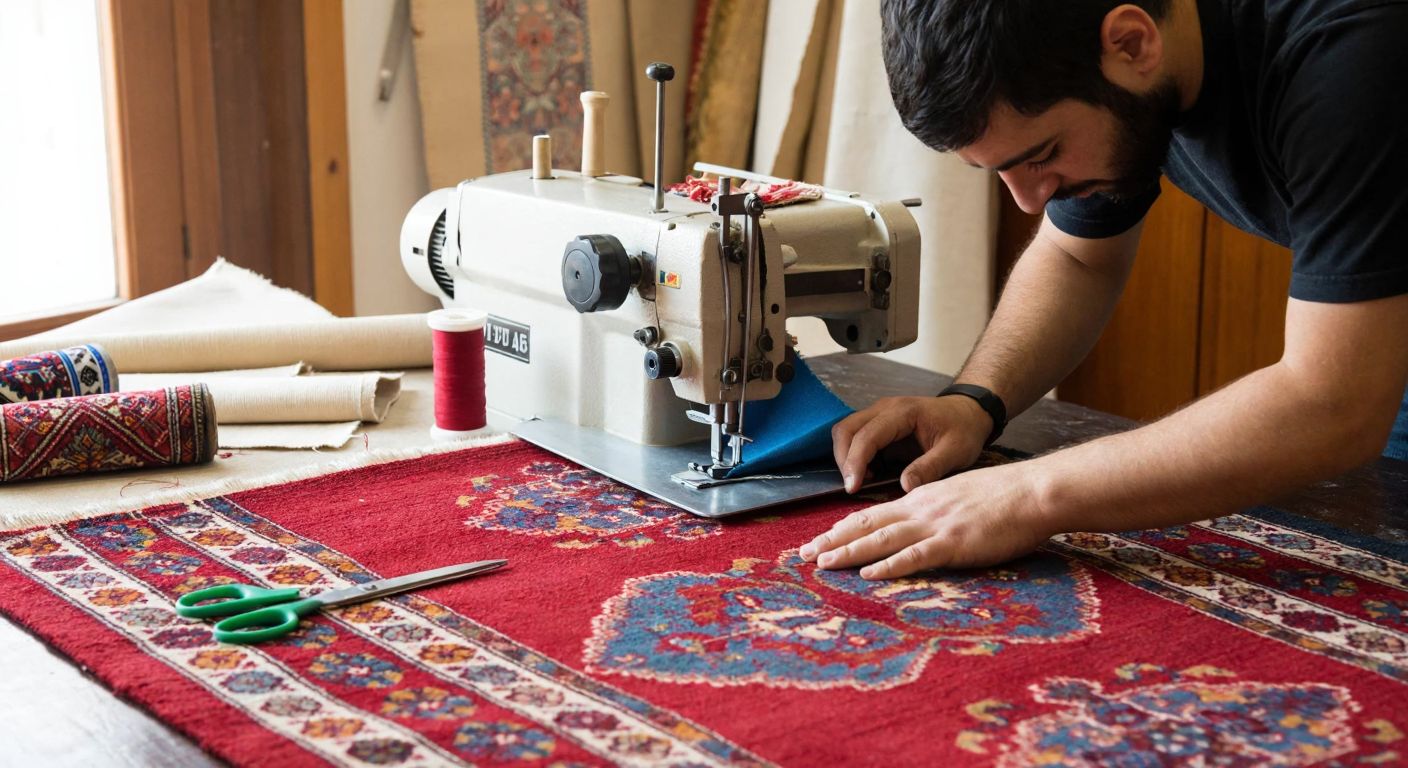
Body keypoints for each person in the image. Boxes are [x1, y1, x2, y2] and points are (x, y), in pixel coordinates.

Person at [798, 0, 1408, 579]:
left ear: (1132, 42)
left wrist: (1029, 493)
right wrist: (973, 404)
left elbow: (1333, 402)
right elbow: (1075, 255)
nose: (1029, 198)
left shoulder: (1355, 54)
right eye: (998, 170)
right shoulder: (1142, 67)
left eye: (1042, 155)